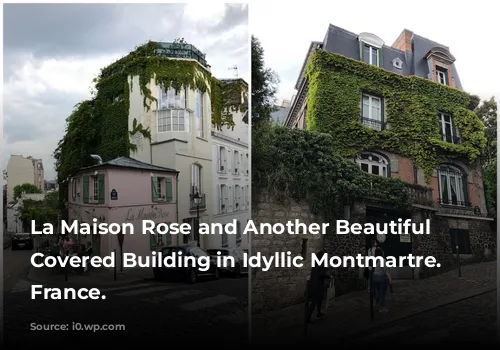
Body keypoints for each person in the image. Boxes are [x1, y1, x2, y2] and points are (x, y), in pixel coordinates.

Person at [307, 250, 329, 322]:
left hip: (314, 283)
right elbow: (321, 274)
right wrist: (328, 276)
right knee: (314, 302)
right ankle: (307, 319)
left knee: (319, 300)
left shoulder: (315, 263)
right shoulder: (321, 263)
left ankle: (318, 313)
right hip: (318, 285)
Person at [372, 247, 391, 313]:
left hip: (375, 277)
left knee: (378, 292)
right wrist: (389, 278)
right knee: (382, 293)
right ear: (381, 253)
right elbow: (385, 270)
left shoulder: (375, 259)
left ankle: (375, 303)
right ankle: (381, 308)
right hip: (381, 278)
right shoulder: (382, 260)